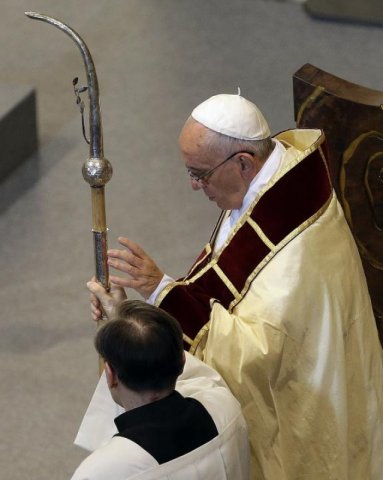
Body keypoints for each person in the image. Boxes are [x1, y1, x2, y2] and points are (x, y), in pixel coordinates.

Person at [89, 93, 383, 479]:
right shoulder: (274, 180)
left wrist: (161, 293)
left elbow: (258, 357)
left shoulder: (298, 249)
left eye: (201, 174)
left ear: (243, 162)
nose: (195, 186)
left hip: (308, 400)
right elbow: (227, 281)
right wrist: (135, 312)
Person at [72, 299, 250, 480]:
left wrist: (118, 322)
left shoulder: (101, 471)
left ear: (109, 375)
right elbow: (193, 372)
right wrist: (122, 320)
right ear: (182, 361)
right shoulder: (223, 406)